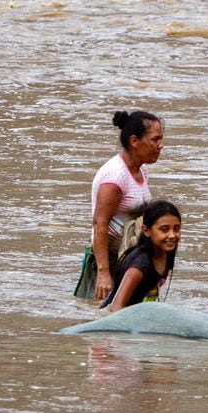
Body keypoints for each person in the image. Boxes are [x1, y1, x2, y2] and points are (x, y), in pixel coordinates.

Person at [77, 109, 164, 303]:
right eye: (155, 140)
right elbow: (100, 225)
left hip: (132, 255)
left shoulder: (141, 170)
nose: (160, 146)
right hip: (111, 260)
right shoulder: (115, 177)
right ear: (134, 141)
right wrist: (104, 273)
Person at [102, 201, 182, 309]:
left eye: (176, 229)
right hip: (118, 318)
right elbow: (116, 306)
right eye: (164, 230)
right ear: (146, 230)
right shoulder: (140, 265)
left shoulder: (166, 253)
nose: (172, 235)